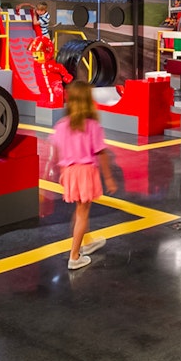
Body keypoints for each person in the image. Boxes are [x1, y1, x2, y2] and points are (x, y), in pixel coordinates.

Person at [49, 81, 117, 270]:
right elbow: (101, 152)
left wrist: (62, 172)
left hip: (69, 172)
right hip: (86, 172)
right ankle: (74, 256)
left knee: (80, 210)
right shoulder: (92, 125)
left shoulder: (62, 125)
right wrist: (109, 178)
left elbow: (56, 151)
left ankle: (86, 243)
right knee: (82, 213)